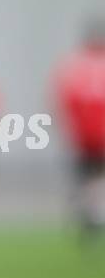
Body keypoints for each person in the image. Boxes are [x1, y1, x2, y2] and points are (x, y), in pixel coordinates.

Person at [53, 17, 105, 234]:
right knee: (98, 176)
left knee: (87, 177)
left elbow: (65, 100)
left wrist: (71, 129)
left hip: (84, 135)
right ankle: (94, 212)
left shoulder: (74, 67)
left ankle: (87, 212)